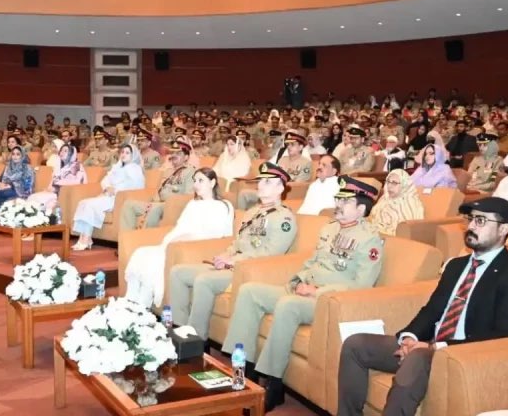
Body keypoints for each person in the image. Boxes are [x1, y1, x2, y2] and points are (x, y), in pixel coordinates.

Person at [337, 197, 508, 416]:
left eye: (480, 221)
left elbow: (506, 336)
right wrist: (409, 337)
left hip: (461, 355)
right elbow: (432, 310)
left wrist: (435, 347)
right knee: (355, 344)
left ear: (504, 229)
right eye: (470, 219)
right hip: (427, 346)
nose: (471, 226)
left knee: (417, 357)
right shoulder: (456, 266)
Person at [222, 176, 383, 412]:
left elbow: (362, 286)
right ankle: (243, 370)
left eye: (345, 202)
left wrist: (318, 291)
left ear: (361, 209)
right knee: (249, 292)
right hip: (303, 290)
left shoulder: (369, 239)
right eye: (338, 199)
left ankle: (273, 383)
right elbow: (313, 262)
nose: (337, 204)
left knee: (287, 305)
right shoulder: (329, 228)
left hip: (328, 301)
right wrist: (299, 280)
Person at [169, 162, 297, 342]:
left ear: (280, 188)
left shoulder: (284, 218)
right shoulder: (252, 212)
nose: (260, 185)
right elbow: (238, 242)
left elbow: (271, 254)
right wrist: (225, 254)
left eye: (267, 182)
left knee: (204, 280)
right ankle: (178, 328)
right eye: (260, 181)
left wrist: (233, 261)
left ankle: (195, 339)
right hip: (233, 264)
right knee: (178, 272)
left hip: (250, 270)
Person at [125, 167, 234, 309]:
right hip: (176, 242)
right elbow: (180, 226)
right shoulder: (193, 203)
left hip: (195, 246)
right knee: (142, 253)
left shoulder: (223, 206)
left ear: (212, 183)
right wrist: (172, 239)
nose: (196, 184)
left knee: (154, 259)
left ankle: (141, 306)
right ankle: (132, 302)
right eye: (195, 181)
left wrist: (186, 238)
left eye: (201, 180)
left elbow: (215, 233)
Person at [72, 144, 144, 250]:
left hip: (119, 198)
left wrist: (115, 190)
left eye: (127, 153)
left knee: (90, 205)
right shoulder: (117, 166)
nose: (123, 155)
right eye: (122, 152)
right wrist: (108, 187)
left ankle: (86, 239)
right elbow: (105, 180)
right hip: (108, 194)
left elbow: (133, 186)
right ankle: (83, 238)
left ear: (133, 155)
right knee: (83, 202)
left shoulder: (135, 169)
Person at [120, 141, 195, 230]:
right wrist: (155, 197)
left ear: (186, 157)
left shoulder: (190, 171)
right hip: (157, 203)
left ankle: (147, 239)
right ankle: (127, 239)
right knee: (128, 204)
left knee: (154, 209)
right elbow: (160, 189)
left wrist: (168, 198)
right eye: (172, 153)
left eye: (178, 153)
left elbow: (189, 195)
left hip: (171, 205)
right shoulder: (168, 171)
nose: (174, 155)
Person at [27, 143, 87, 213]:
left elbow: (78, 182)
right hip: (55, 193)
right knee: (33, 197)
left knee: (46, 203)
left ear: (71, 154)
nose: (62, 152)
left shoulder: (77, 166)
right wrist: (49, 188)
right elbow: (53, 180)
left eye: (65, 151)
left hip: (66, 194)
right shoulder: (59, 166)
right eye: (61, 150)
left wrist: (58, 185)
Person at [368, 169, 424, 236]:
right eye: (388, 182)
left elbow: (405, 232)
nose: (389, 186)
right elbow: (371, 219)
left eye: (394, 183)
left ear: (404, 184)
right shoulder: (385, 198)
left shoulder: (411, 204)